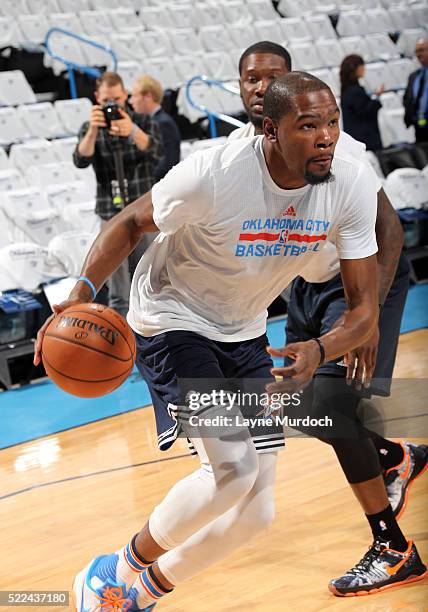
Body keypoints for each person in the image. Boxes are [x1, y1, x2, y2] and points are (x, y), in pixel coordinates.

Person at [34, 71, 405, 611]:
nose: (325, 136)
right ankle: (113, 570)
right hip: (173, 318)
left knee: (258, 511)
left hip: (245, 328)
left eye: (332, 122)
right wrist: (79, 295)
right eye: (308, 125)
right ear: (269, 130)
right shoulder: (217, 173)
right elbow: (129, 222)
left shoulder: (347, 183)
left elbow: (364, 308)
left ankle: (136, 593)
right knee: (230, 470)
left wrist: (322, 349)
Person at [233, 41, 427, 597]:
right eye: (252, 79)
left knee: (333, 405)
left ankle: (394, 550)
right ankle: (394, 456)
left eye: (274, 78)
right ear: (241, 89)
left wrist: (366, 318)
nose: (261, 88)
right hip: (306, 287)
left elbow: (389, 232)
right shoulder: (239, 152)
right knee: (295, 402)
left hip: (360, 282)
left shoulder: (338, 151)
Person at [73, 71, 163, 317]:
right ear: (96, 99)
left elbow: (157, 151)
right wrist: (93, 130)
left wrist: (132, 131)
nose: (112, 106)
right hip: (111, 215)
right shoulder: (90, 127)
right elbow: (80, 159)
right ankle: (122, 348)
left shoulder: (142, 122)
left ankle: (154, 337)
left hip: (145, 211)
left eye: (116, 100)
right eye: (105, 102)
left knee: (152, 282)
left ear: (125, 95)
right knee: (118, 290)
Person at [130, 75, 181, 181]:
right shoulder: (150, 121)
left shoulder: (163, 123)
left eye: (134, 96)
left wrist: (144, 181)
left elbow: (168, 163)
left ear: (148, 96)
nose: (131, 101)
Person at [339, 54, 384, 151]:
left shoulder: (346, 90)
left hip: (356, 139)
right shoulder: (355, 91)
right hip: (366, 140)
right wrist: (376, 97)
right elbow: (366, 111)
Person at [404, 38, 428, 143]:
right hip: (419, 127)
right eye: (417, 51)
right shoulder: (414, 76)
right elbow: (407, 98)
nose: (419, 54)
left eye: (422, 50)